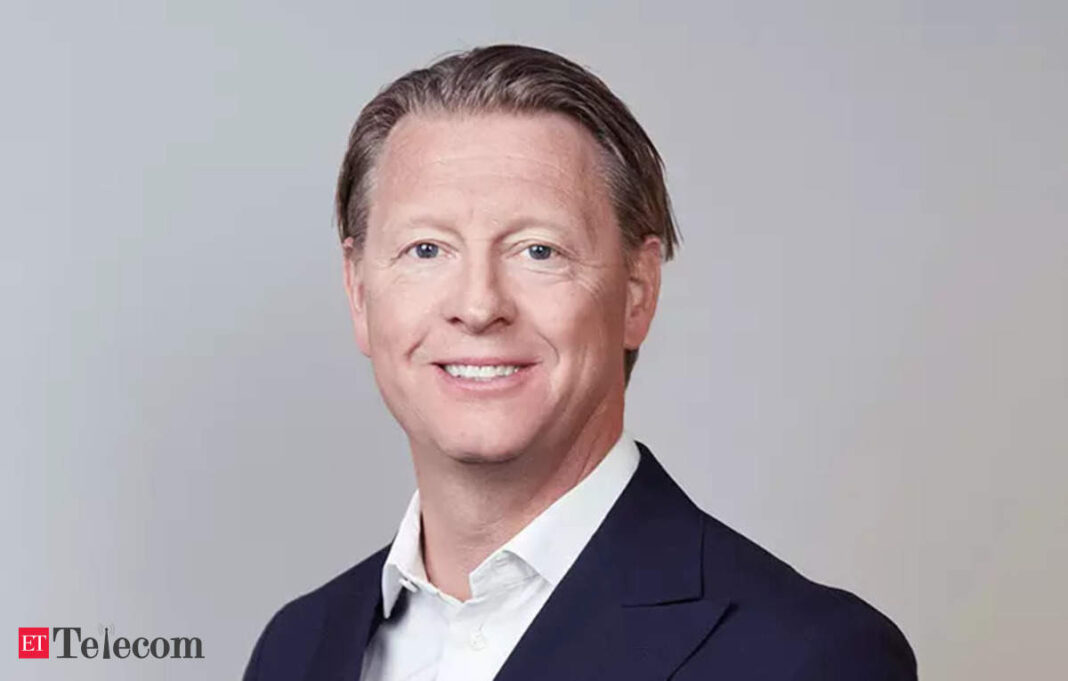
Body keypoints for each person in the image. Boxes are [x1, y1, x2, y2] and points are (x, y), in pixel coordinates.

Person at [242, 44, 917, 680]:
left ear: (637, 290)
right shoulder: (296, 648)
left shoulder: (808, 657)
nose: (478, 306)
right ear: (360, 293)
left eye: (538, 250)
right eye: (426, 249)